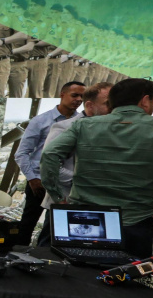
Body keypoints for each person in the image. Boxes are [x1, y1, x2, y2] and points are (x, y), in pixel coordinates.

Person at [42, 79, 153, 258]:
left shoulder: (84, 125)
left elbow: (49, 155)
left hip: (84, 218)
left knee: (74, 278)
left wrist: (58, 196)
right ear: (145, 100)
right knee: (127, 279)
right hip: (135, 222)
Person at [13, 81, 85, 245]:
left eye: (82, 96)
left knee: (59, 227)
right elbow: (21, 153)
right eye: (75, 95)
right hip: (39, 182)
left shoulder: (83, 122)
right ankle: (18, 257)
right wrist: (32, 179)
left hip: (67, 184)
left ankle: (48, 260)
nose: (78, 100)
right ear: (62, 94)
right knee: (28, 223)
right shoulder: (41, 121)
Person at [38, 82, 112, 229]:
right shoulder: (64, 127)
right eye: (107, 103)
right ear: (90, 105)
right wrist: (83, 181)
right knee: (49, 248)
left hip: (99, 205)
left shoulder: (112, 130)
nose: (113, 109)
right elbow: (50, 165)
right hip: (65, 203)